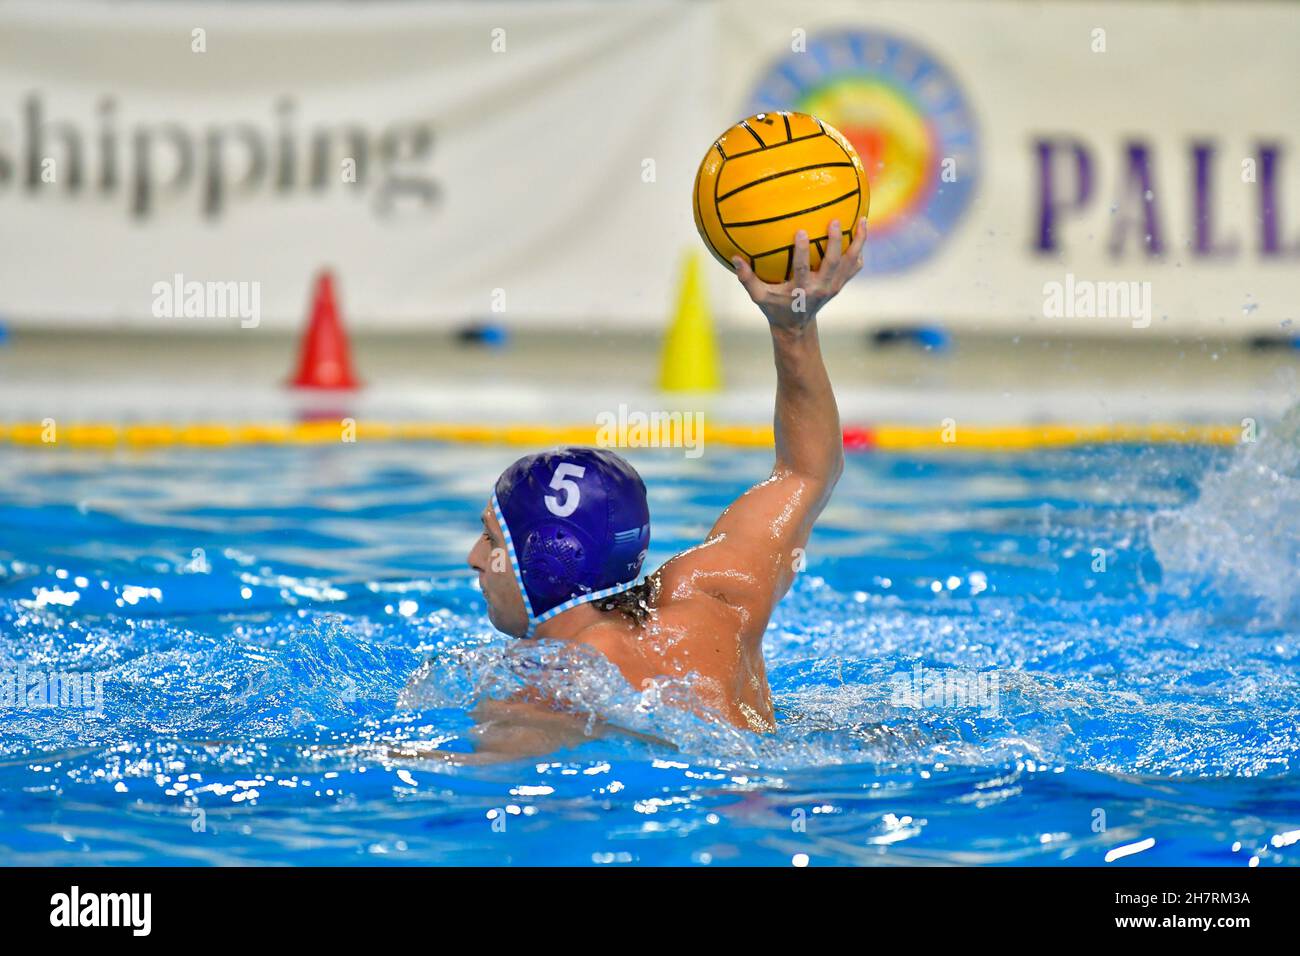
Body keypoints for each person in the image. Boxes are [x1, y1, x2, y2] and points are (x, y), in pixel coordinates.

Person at [451, 219, 866, 760]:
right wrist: (793, 330)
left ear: (546, 558)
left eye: (491, 539)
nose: (474, 559)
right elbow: (807, 472)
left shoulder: (554, 688)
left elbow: (472, 789)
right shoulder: (714, 593)